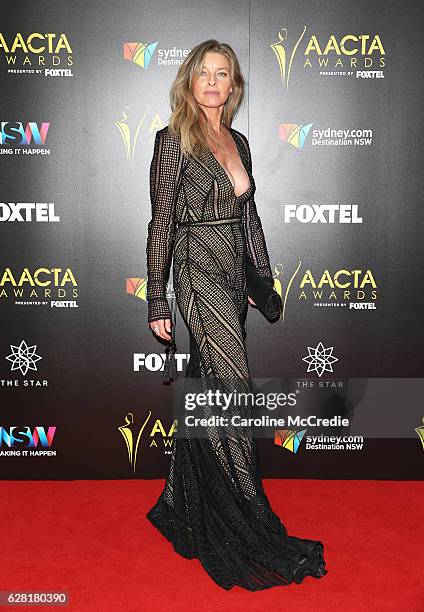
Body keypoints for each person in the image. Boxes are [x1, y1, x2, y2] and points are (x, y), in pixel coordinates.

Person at [145, 39, 327, 591]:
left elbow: (250, 221)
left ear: (233, 86)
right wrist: (157, 299)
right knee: (232, 388)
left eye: (222, 74)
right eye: (203, 72)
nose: (212, 82)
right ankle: (245, 509)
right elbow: (161, 224)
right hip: (197, 269)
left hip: (231, 270)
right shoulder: (172, 140)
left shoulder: (240, 141)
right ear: (189, 81)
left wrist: (263, 281)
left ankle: (188, 502)